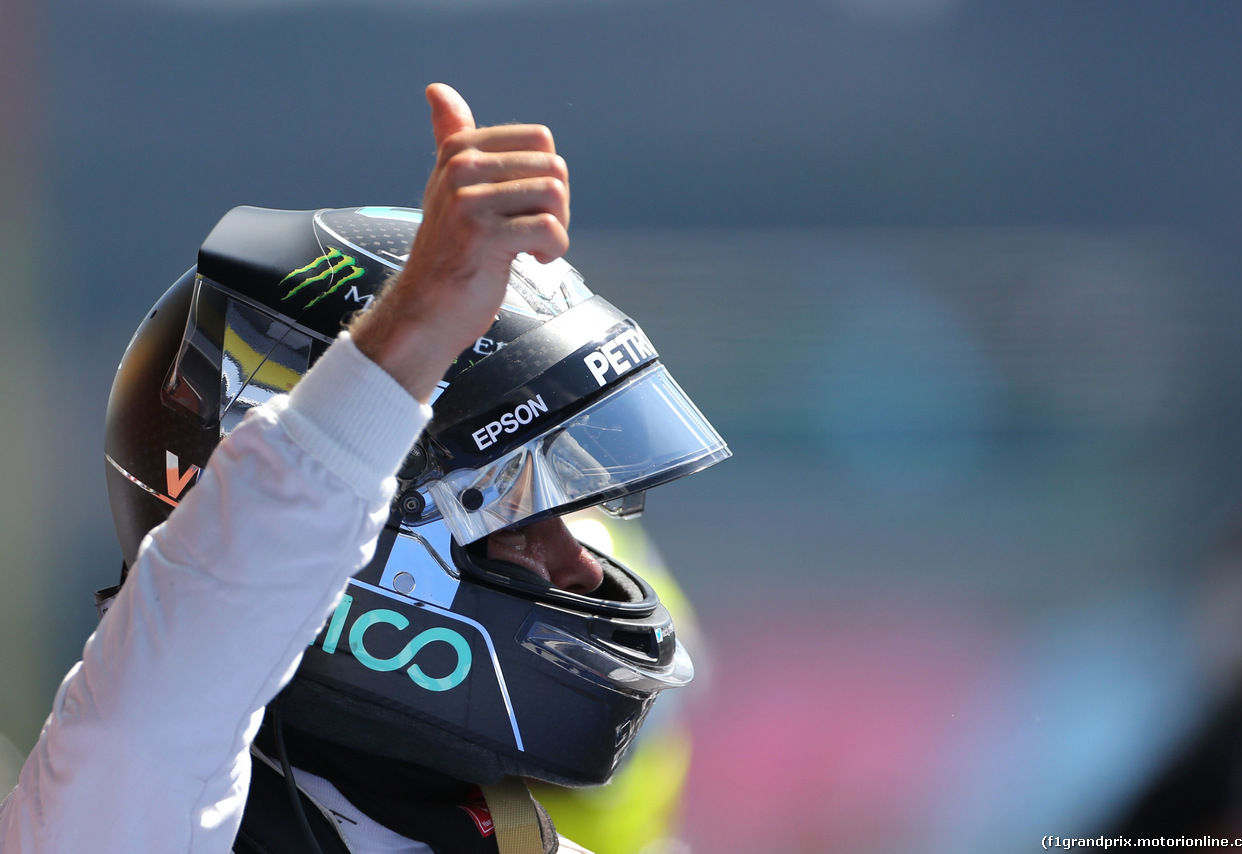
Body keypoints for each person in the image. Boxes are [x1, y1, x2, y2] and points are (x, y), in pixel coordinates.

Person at [0, 84, 730, 854]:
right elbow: (182, 660)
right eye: (512, 519)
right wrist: (410, 336)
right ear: (363, 538)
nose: (583, 564)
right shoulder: (131, 820)